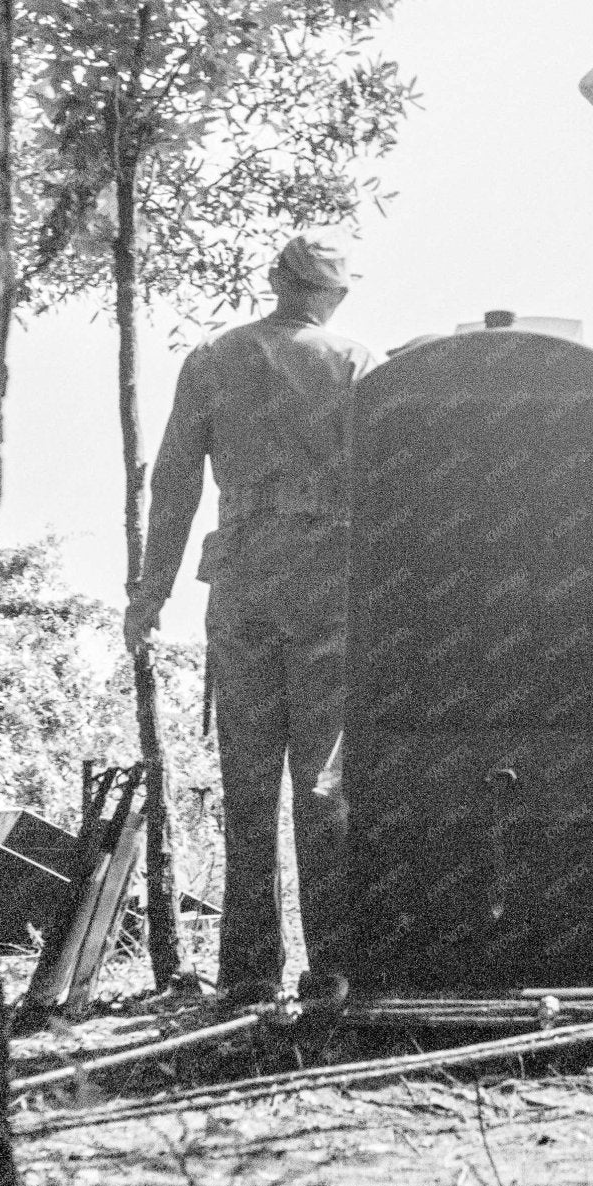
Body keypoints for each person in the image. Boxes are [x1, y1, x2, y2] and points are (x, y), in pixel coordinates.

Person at [124, 229, 377, 1006]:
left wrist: (150, 592)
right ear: (331, 295)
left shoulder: (210, 360)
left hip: (242, 588)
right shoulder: (359, 365)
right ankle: (332, 969)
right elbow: (394, 485)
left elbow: (174, 486)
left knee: (247, 784)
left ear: (276, 283)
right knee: (324, 784)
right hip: (330, 588)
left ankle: (247, 976)